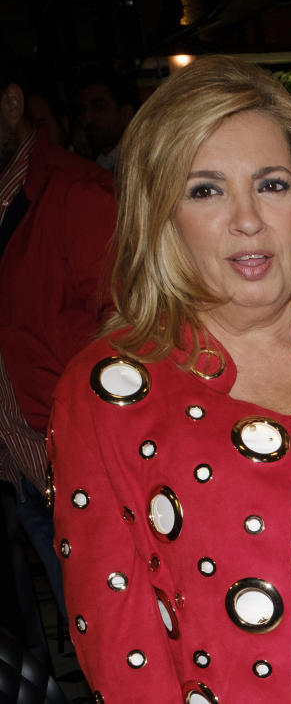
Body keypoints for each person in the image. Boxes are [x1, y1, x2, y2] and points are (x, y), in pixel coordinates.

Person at [47, 56, 291, 703]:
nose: (248, 218)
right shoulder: (108, 393)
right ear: (162, 217)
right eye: (206, 190)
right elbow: (124, 654)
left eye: (272, 184)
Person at [0, 51, 116, 653]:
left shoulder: (74, 192)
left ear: (12, 105)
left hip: (82, 478)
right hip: (22, 476)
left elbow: (131, 339)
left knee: (117, 652)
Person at [73, 68, 137, 171]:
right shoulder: (97, 163)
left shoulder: (139, 164)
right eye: (83, 110)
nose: (87, 118)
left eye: (99, 107)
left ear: (126, 114)